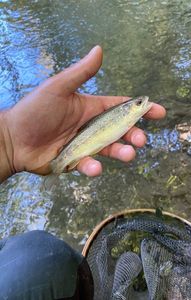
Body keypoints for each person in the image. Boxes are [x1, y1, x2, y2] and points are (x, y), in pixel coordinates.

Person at [0, 46, 166, 299]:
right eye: (139, 104)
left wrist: (9, 140)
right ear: (130, 109)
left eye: (141, 104)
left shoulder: (127, 116)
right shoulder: (124, 114)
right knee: (41, 262)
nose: (143, 105)